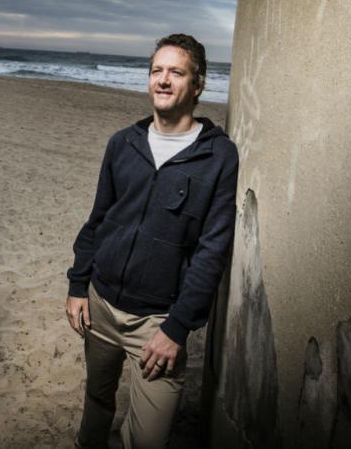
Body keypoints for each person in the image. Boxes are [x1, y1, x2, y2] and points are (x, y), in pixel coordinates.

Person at [66, 34, 238, 448]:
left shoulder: (218, 157)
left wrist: (176, 329)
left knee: (147, 440)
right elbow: (98, 220)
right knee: (97, 398)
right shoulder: (122, 143)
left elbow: (212, 252)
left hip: (159, 324)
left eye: (176, 72)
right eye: (156, 71)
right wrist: (77, 285)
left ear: (197, 85)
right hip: (102, 306)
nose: (163, 80)